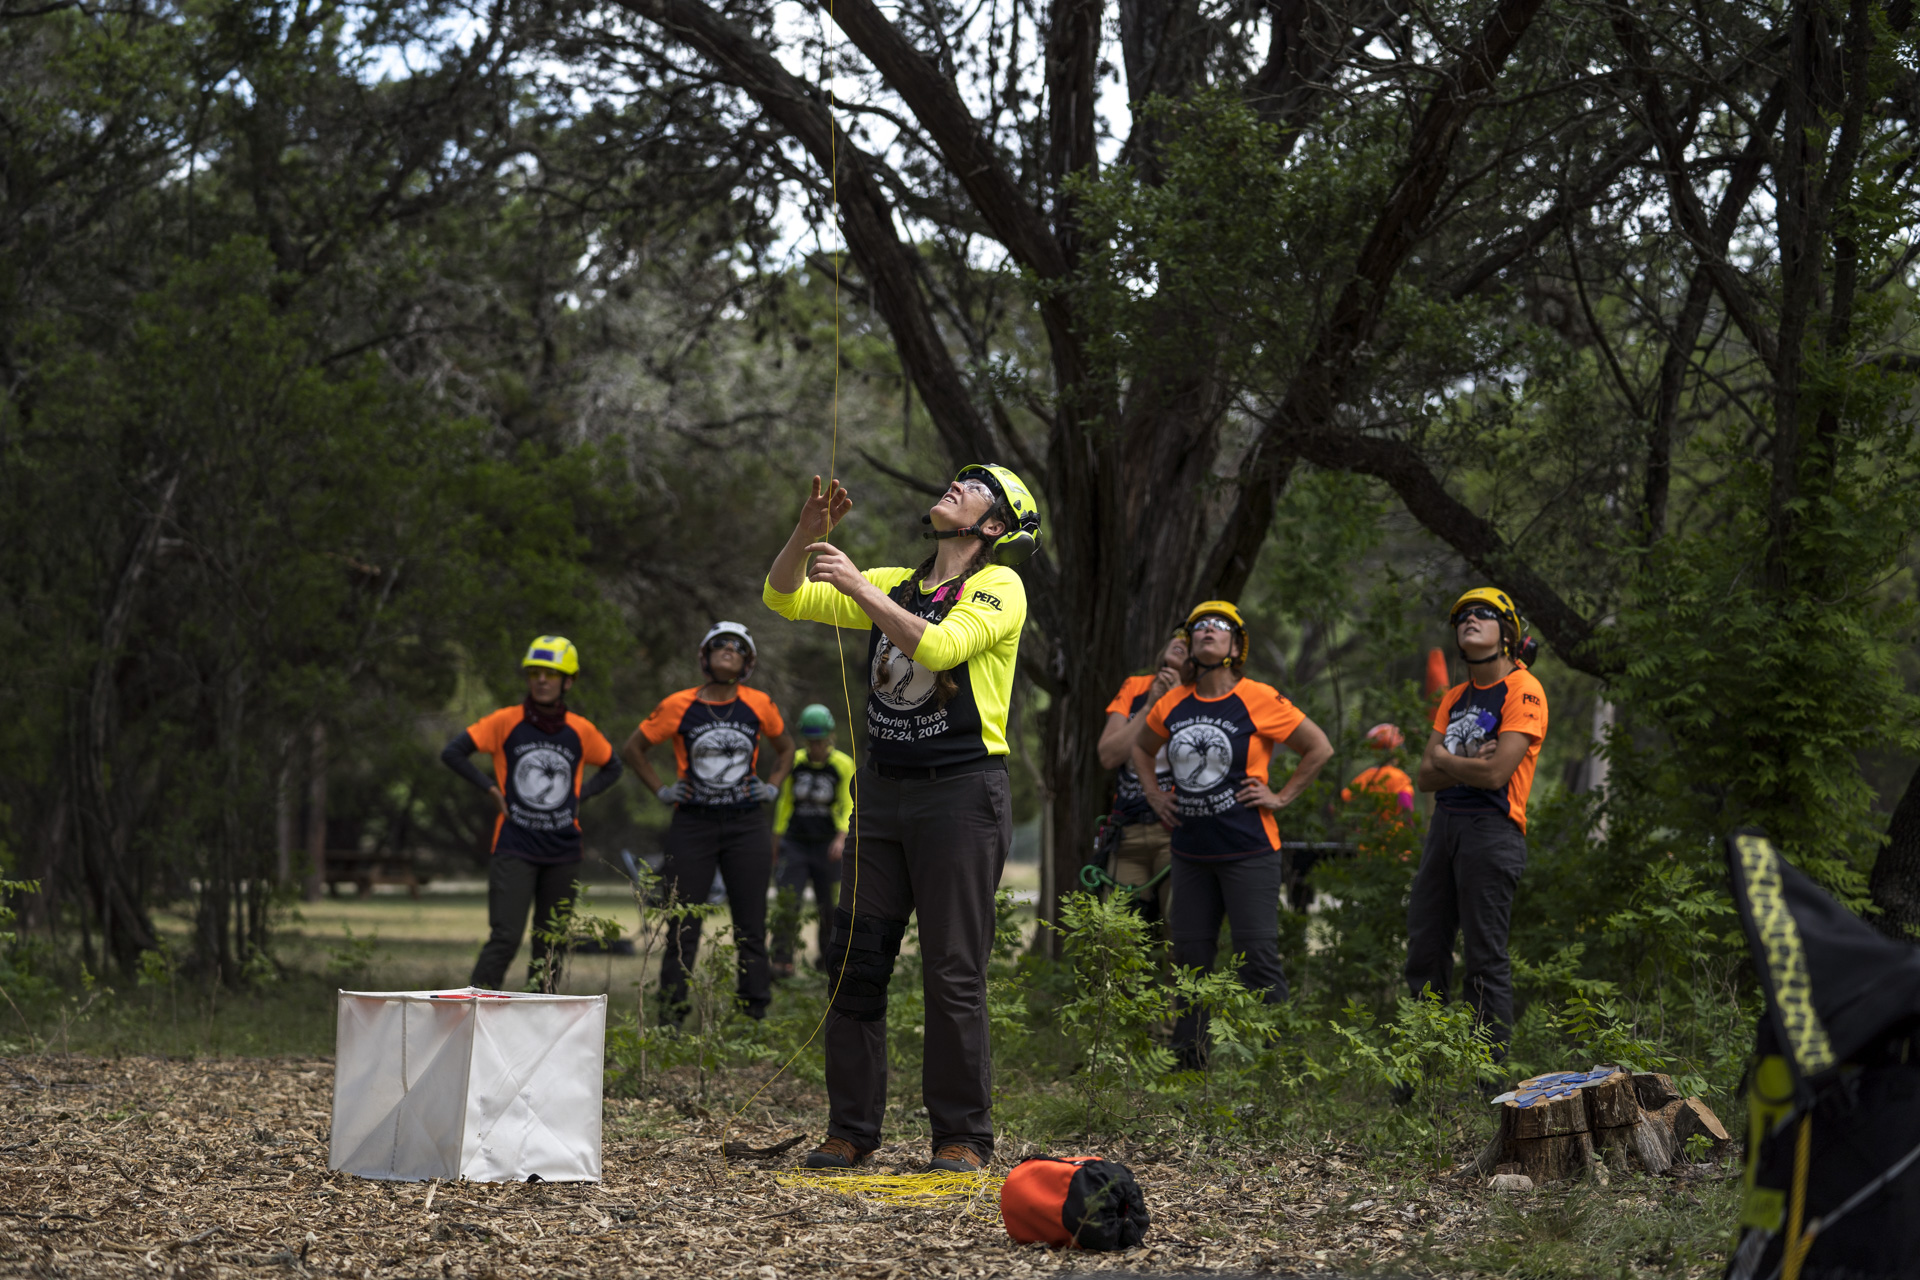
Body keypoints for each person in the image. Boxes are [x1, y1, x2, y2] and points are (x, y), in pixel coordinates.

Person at [763, 464, 1039, 1174]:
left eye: (976, 486)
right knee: (856, 963)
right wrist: (805, 535)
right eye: (958, 477)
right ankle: (850, 1130)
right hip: (883, 799)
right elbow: (784, 597)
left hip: (962, 798)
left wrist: (858, 586)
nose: (957, 483)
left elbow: (940, 647)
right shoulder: (898, 581)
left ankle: (962, 1139)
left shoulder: (999, 586)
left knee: (953, 973)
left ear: (995, 525)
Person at [1134, 601, 1333, 1068]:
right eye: (1198, 626)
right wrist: (1155, 796)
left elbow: (1317, 747)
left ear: (1236, 645)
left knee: (1258, 957)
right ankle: (1188, 1062)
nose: (1206, 631)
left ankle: (1275, 1068)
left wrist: (1281, 796)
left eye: (1219, 626)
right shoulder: (1172, 703)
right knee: (1190, 958)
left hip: (1250, 851)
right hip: (1189, 853)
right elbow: (1143, 750)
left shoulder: (1258, 697)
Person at [623, 622, 794, 1023]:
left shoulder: (759, 703)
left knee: (750, 923)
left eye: (738, 647)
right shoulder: (678, 704)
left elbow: (786, 749)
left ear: (748, 661)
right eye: (720, 645)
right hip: (693, 825)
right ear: (705, 655)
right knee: (683, 923)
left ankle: (753, 1015)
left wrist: (772, 787)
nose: (728, 650)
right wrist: (662, 791)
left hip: (746, 825)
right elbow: (633, 749)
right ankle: (671, 1016)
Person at [1407, 587, 1549, 1061]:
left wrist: (1448, 757)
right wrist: (1458, 759)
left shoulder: (1524, 689)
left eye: (1483, 614)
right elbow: (1424, 776)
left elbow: (1495, 774)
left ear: (1506, 630)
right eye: (1463, 616)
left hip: (1493, 830)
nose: (1470, 619)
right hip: (1444, 828)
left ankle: (1486, 1075)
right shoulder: (1454, 696)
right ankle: (1421, 1068)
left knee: (1484, 959)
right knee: (1425, 948)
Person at [441, 636, 622, 991]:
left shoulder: (580, 729)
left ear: (568, 681)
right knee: (505, 936)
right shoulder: (505, 722)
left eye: (551, 674)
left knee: (551, 941)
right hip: (514, 845)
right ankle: (475, 1014)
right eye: (535, 672)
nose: (541, 680)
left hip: (563, 849)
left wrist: (579, 794)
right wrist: (491, 789)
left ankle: (542, 1019)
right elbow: (454, 752)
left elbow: (613, 766)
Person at [1096, 631, 1189, 921]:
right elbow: (1108, 755)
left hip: (1177, 831)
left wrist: (1175, 700)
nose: (1181, 639)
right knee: (1116, 936)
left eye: (1190, 639)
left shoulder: (1200, 695)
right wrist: (1150, 705)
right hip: (1129, 832)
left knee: (1182, 937)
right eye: (1178, 635)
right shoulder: (1135, 687)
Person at [770, 704, 855, 976]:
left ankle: (827, 961)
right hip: (795, 843)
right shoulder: (794, 762)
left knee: (829, 906)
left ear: (830, 737)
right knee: (788, 903)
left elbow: (848, 802)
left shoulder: (842, 764)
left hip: (827, 845)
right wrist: (776, 839)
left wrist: (842, 836)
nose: (816, 746)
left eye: (820, 740)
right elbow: (785, 802)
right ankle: (782, 962)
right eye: (811, 740)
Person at [1342, 723, 1416, 818]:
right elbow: (1406, 805)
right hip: (1394, 831)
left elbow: (1340, 803)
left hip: (1368, 831)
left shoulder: (1364, 777)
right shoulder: (1399, 777)